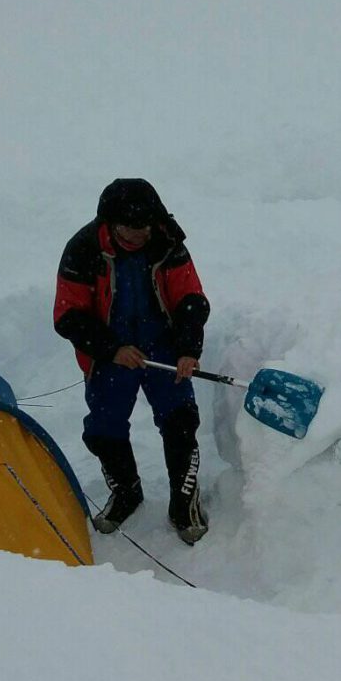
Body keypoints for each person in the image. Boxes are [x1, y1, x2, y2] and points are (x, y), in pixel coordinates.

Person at [53, 178, 210, 545]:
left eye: (145, 227)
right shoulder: (83, 250)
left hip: (162, 344)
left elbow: (191, 299)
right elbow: (68, 316)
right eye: (131, 228)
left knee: (180, 419)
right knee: (104, 427)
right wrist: (111, 348)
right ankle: (126, 490)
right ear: (111, 223)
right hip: (110, 350)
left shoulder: (168, 241)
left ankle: (183, 500)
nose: (140, 235)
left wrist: (189, 349)